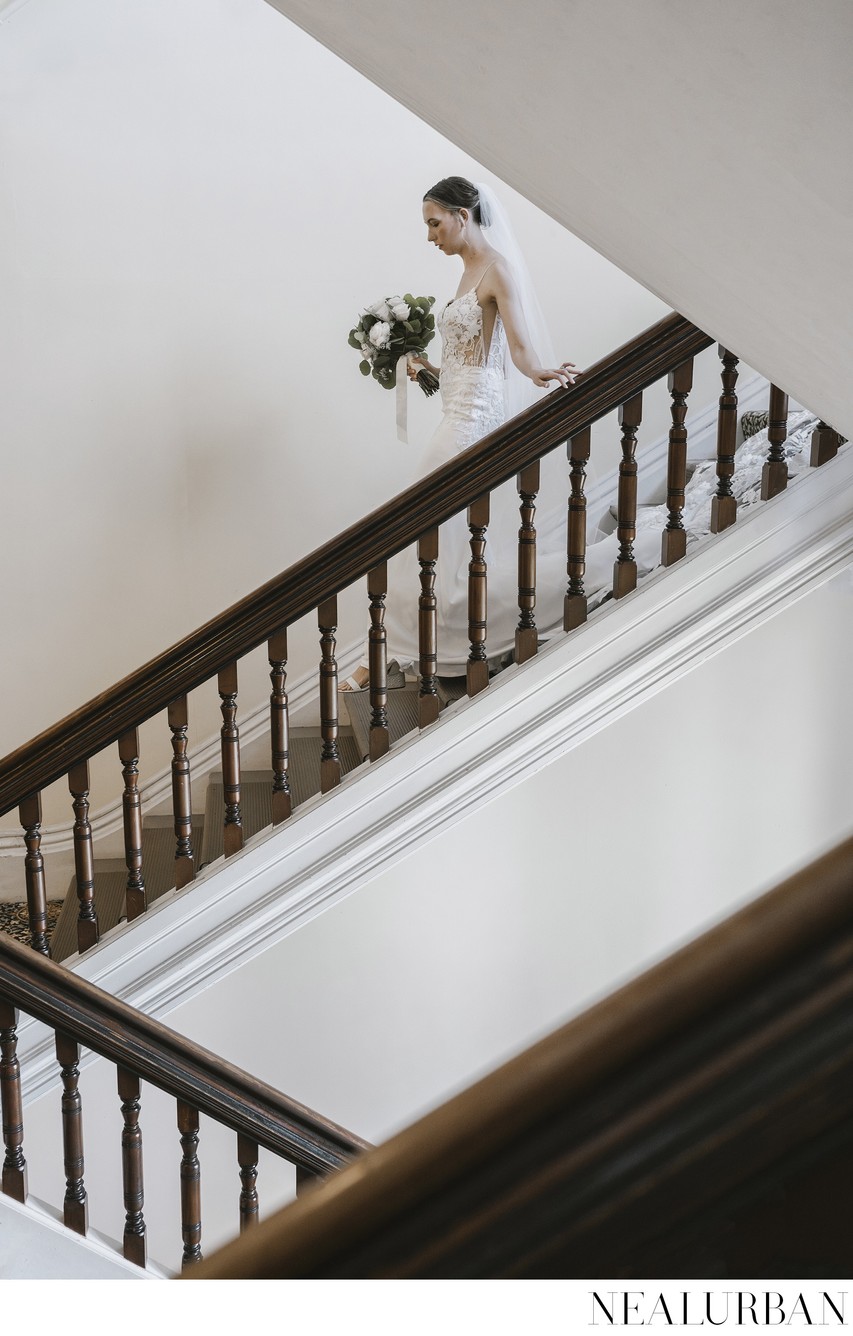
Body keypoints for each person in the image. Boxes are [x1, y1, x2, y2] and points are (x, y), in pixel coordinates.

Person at [341, 176, 585, 690]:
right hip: (455, 408)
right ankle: (422, 647)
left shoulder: (498, 269)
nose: (431, 236)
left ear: (462, 214)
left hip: (474, 420)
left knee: (414, 526)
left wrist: (538, 370)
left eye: (434, 223)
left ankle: (383, 654)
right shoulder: (466, 272)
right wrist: (426, 367)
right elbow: (466, 356)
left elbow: (515, 347)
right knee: (441, 545)